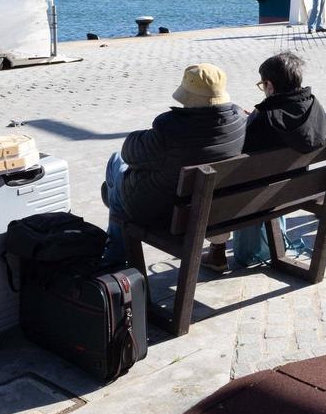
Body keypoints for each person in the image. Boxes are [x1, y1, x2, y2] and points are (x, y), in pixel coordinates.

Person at [102, 64, 246, 264]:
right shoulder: (239, 120)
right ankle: (112, 199)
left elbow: (128, 152)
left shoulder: (169, 128)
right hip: (216, 210)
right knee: (121, 182)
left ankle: (114, 260)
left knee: (115, 164)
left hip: (165, 214)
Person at [204, 52, 326, 271]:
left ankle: (217, 251)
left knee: (214, 185)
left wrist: (249, 121)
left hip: (261, 197)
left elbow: (240, 153)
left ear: (270, 85)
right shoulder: (314, 106)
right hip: (299, 189)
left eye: (263, 84)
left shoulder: (266, 118)